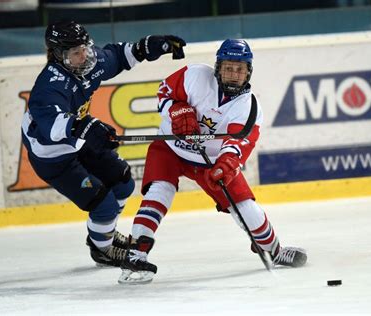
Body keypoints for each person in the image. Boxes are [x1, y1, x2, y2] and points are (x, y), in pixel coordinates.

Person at [118, 39, 307, 284]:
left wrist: (225, 165)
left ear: (248, 72)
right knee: (159, 190)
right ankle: (135, 255)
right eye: (228, 67)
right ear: (218, 67)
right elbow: (164, 92)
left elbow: (237, 146)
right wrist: (177, 110)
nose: (233, 74)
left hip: (212, 162)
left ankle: (274, 250)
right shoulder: (195, 75)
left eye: (240, 69)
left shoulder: (248, 108)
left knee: (246, 209)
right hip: (171, 148)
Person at [21, 20, 186, 268]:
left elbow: (118, 56)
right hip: (52, 155)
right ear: (57, 55)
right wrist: (87, 128)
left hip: (78, 137)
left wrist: (150, 46)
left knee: (123, 182)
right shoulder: (49, 85)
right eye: (76, 53)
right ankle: (102, 249)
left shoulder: (86, 60)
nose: (85, 55)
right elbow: (52, 128)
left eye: (85, 47)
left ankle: (103, 235)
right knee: (104, 204)